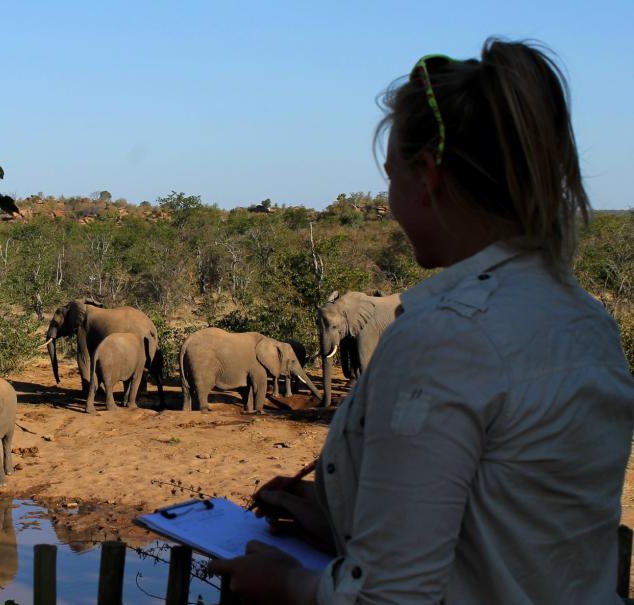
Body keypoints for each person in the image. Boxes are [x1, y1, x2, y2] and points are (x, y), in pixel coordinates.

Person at [209, 38, 634, 604]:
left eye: (391, 176)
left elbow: (393, 596)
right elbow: (513, 530)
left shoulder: (446, 335)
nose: (388, 201)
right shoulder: (589, 323)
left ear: (428, 175)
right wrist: (340, 516)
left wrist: (288, 584)